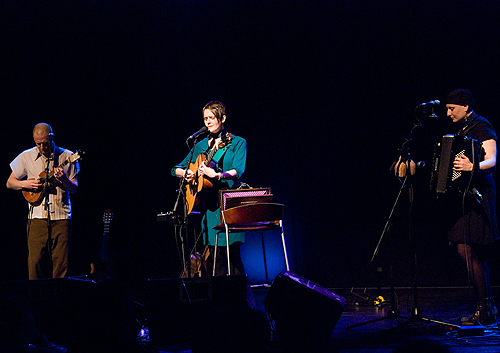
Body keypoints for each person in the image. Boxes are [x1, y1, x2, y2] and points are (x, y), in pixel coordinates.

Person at [172, 101, 248, 276]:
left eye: (211, 118)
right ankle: (219, 299)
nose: (208, 122)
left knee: (233, 255)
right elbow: (174, 169)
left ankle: (240, 299)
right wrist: (187, 173)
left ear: (223, 118)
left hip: (230, 204)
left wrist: (216, 175)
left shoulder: (237, 142)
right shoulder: (200, 146)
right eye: (205, 118)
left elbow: (238, 170)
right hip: (210, 207)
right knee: (215, 257)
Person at [444, 89, 498, 325]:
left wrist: (471, 167)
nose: (448, 113)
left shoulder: (481, 125)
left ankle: (485, 308)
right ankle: (486, 308)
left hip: (481, 195)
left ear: (465, 107)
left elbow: (493, 161)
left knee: (467, 248)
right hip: (467, 196)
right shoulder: (463, 128)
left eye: (451, 108)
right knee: (467, 247)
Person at [6, 123, 80, 279]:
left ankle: (58, 298)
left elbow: (74, 188)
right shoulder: (26, 156)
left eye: (44, 143)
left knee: (60, 264)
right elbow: (9, 182)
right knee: (35, 262)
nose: (41, 146)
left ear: (51, 138)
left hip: (61, 218)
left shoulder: (67, 156)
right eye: (37, 143)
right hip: (37, 217)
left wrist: (64, 179)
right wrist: (25, 183)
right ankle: (35, 299)